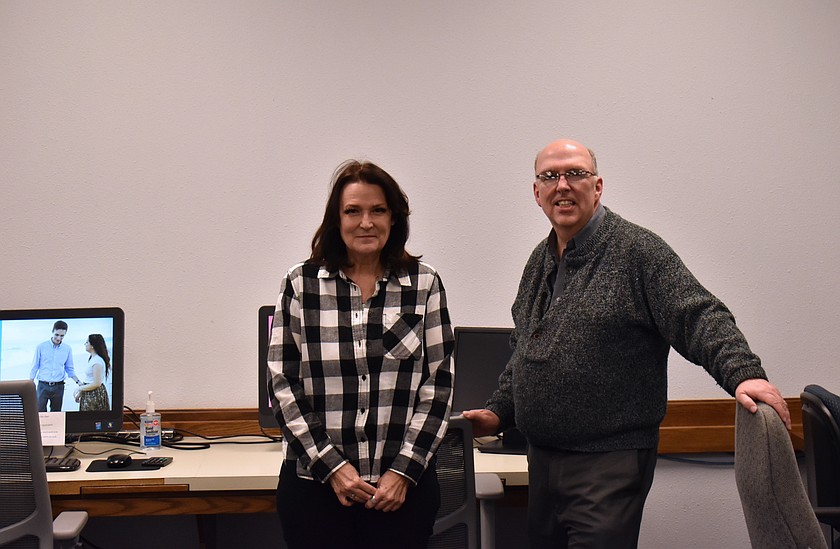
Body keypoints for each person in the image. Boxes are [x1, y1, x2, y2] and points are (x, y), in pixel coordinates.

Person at [463, 138, 791, 549]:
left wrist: (743, 374)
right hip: (542, 459)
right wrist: (498, 412)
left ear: (597, 186)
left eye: (575, 174)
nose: (562, 185)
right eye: (550, 176)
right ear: (537, 192)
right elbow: (526, 349)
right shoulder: (540, 260)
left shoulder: (637, 252)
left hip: (609, 461)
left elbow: (699, 316)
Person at [267, 160, 454, 549]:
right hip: (316, 488)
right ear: (336, 219)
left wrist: (402, 472)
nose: (366, 222)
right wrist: (334, 469)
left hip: (400, 491)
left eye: (378, 210)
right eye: (353, 211)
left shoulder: (424, 284)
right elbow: (283, 384)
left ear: (394, 218)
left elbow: (439, 386)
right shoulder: (301, 284)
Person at [29, 320, 82, 412]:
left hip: (59, 386)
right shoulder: (41, 347)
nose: (58, 338)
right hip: (43, 385)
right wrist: (30, 384)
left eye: (62, 336)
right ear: (52, 331)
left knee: (56, 414)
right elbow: (35, 366)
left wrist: (78, 382)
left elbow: (69, 368)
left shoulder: (67, 349)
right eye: (56, 334)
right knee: (40, 413)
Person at [74, 334, 111, 411]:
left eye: (87, 342)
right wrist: (81, 392)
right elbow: (89, 379)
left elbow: (97, 383)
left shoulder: (97, 361)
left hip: (94, 394)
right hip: (89, 391)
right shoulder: (92, 358)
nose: (85, 344)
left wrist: (79, 388)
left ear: (92, 346)